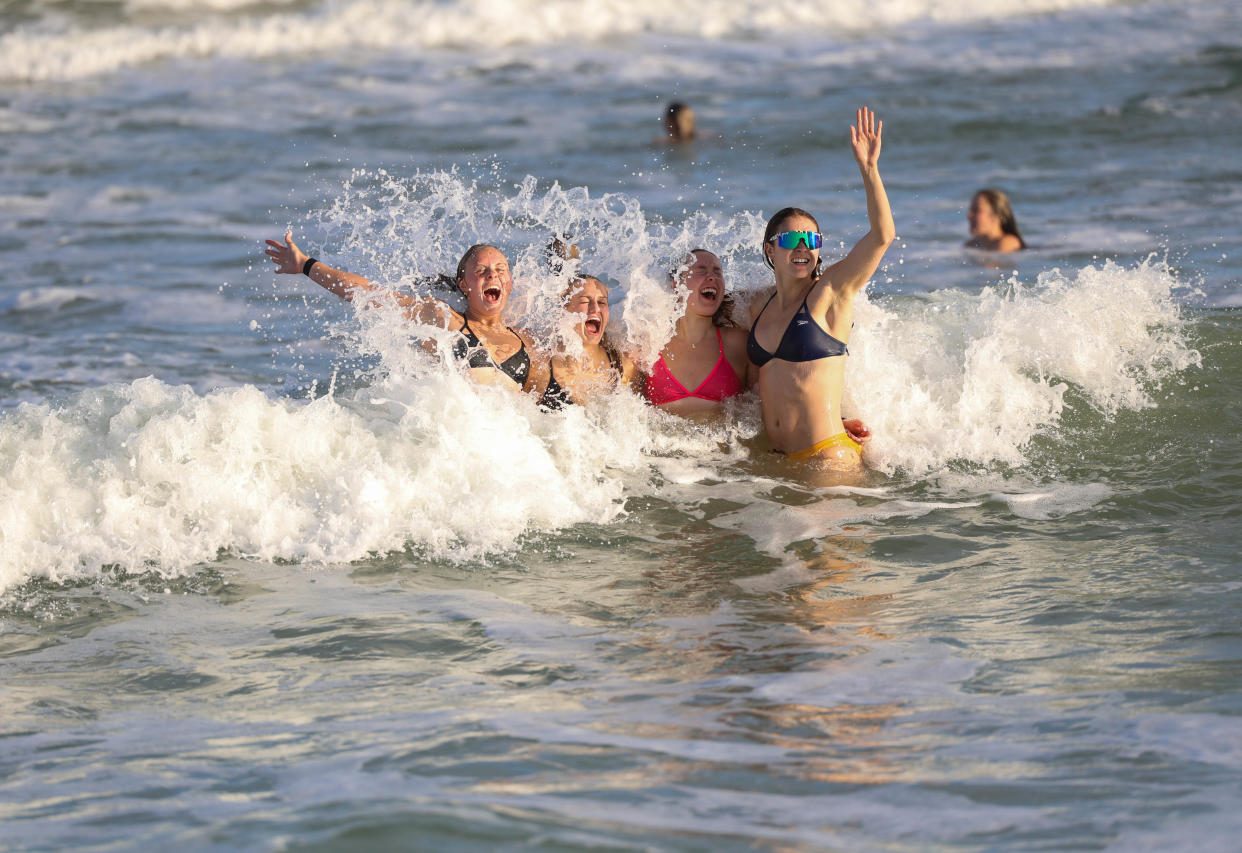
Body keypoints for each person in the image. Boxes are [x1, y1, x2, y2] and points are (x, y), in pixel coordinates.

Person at [748, 106, 894, 471]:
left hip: (826, 457)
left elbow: (882, 237)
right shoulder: (757, 306)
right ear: (770, 249)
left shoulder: (830, 293)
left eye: (811, 239)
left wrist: (869, 171)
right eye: (792, 238)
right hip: (777, 462)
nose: (802, 247)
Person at [264, 232, 545, 393]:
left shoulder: (525, 341)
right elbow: (370, 294)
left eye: (500, 270)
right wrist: (306, 265)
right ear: (464, 284)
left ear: (510, 282)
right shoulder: (443, 318)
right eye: (481, 271)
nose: (492, 276)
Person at [650, 249, 871, 443]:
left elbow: (777, 393)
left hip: (720, 467)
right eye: (701, 270)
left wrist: (834, 420)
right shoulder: (648, 343)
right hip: (667, 467)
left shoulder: (738, 344)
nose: (712, 277)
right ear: (676, 284)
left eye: (718, 272)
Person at [540, 275, 639, 409]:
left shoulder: (625, 366)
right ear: (563, 310)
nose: (596, 308)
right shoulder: (542, 365)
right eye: (585, 301)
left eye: (602, 302)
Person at [965, 188, 1025, 252]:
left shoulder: (1008, 243)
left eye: (976, 210)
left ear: (997, 216)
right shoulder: (971, 245)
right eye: (971, 210)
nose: (969, 215)